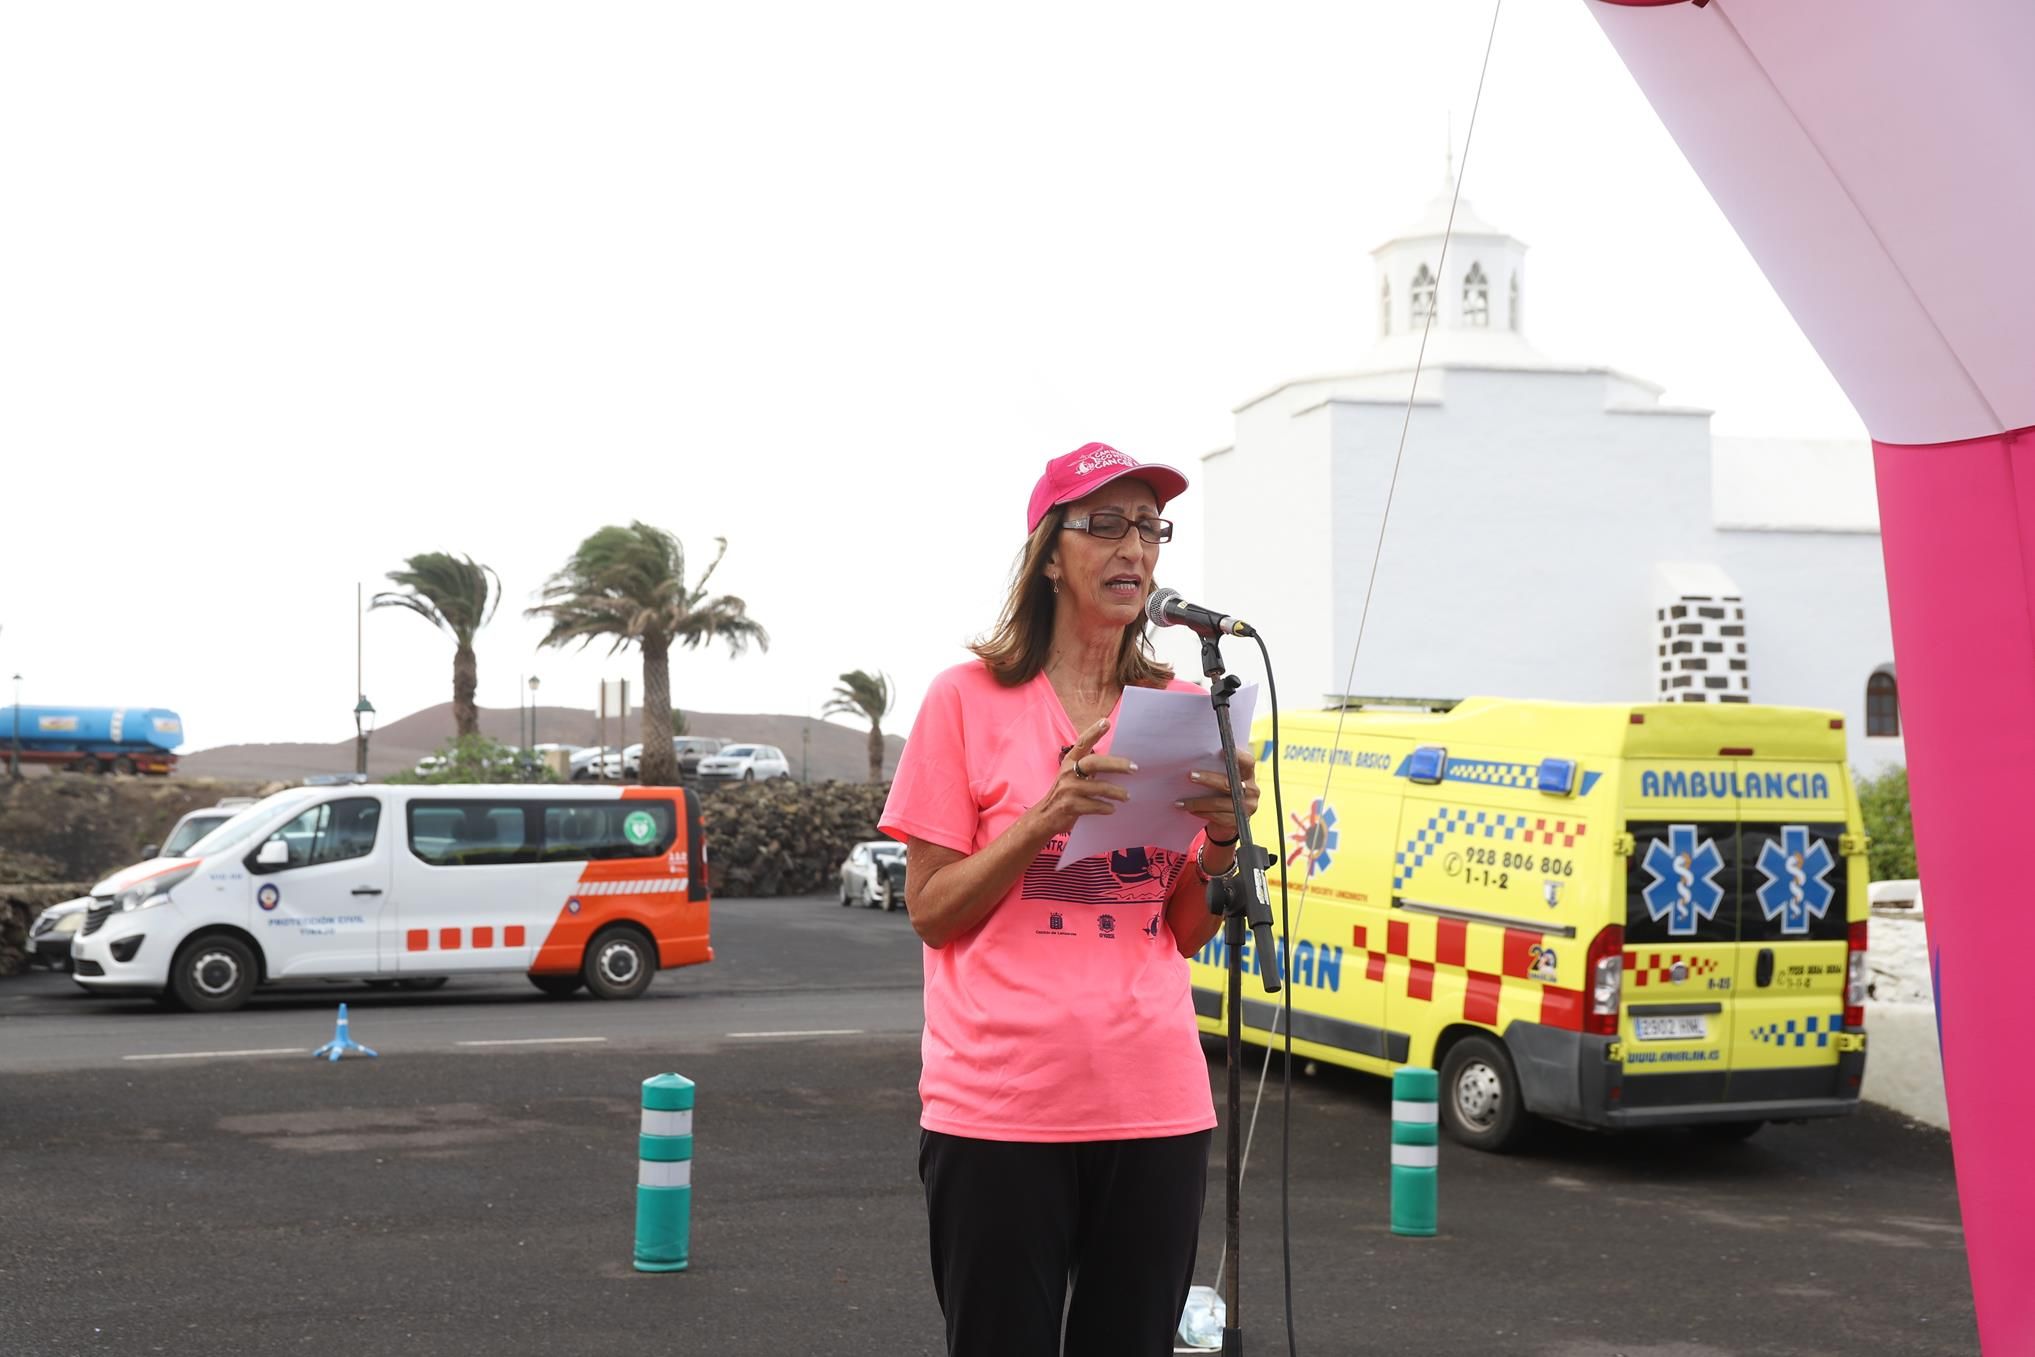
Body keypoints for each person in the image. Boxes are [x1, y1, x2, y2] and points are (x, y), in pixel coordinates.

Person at [881, 441, 1259, 1356]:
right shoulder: (964, 700)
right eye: (1106, 524)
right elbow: (931, 910)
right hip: (1001, 1106)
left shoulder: (1178, 707)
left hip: (1155, 1099)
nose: (1135, 546)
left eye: (1150, 527)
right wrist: (1041, 817)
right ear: (1051, 553)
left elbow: (1178, 929)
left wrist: (1218, 838)